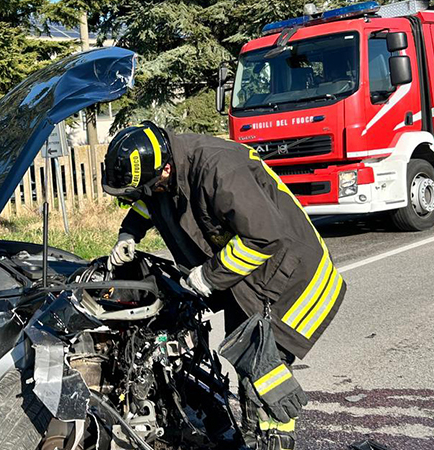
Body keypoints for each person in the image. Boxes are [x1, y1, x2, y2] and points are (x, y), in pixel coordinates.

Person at [101, 122, 346, 450]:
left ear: (166, 168)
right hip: (245, 281)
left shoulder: (218, 169)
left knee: (264, 371)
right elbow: (150, 200)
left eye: (150, 185)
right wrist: (129, 232)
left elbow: (262, 238)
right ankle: (252, 435)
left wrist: (208, 276)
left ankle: (275, 438)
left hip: (292, 278)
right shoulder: (168, 171)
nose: (146, 194)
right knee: (246, 357)